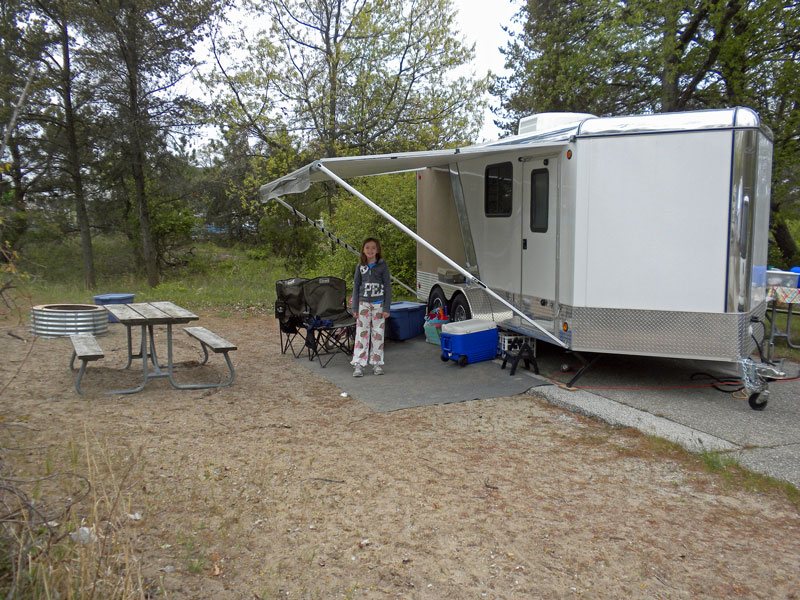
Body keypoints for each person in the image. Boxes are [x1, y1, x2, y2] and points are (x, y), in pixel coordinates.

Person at [350, 237, 392, 377]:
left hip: (378, 304)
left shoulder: (382, 265)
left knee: (378, 333)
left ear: (378, 250)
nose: (370, 250)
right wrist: (355, 307)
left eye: (373, 248)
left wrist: (386, 308)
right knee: (362, 333)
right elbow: (356, 286)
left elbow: (387, 286)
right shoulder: (360, 266)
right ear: (363, 249)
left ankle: (377, 363)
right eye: (367, 247)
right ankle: (359, 364)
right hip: (363, 304)